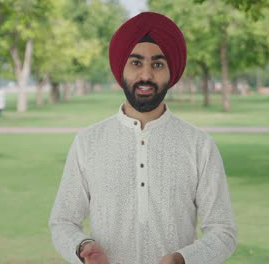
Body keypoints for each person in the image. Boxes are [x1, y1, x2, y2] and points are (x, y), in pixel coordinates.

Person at [49, 11, 237, 264]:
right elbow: (63, 221)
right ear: (121, 69)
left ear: (172, 71)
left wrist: (183, 259)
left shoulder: (199, 145)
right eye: (136, 63)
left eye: (157, 64)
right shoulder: (88, 142)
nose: (146, 75)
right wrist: (82, 247)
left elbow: (223, 231)